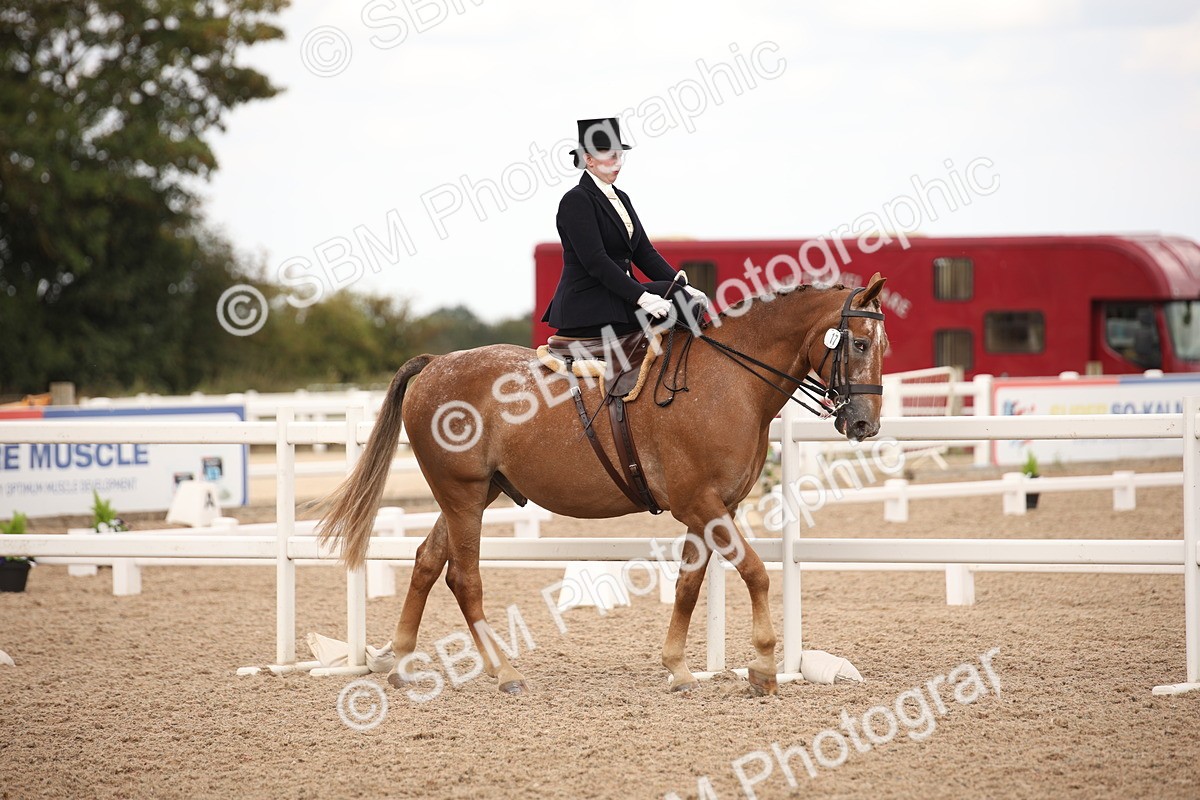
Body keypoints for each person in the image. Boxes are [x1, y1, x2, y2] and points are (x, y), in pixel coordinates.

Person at [541, 117, 708, 339]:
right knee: (679, 300)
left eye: (620, 156)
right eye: (611, 156)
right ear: (589, 159)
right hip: (588, 303)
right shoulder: (576, 200)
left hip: (617, 297)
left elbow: (645, 253)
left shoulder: (622, 198)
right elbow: (596, 261)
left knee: (683, 298)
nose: (618, 164)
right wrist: (642, 297)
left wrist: (685, 286)